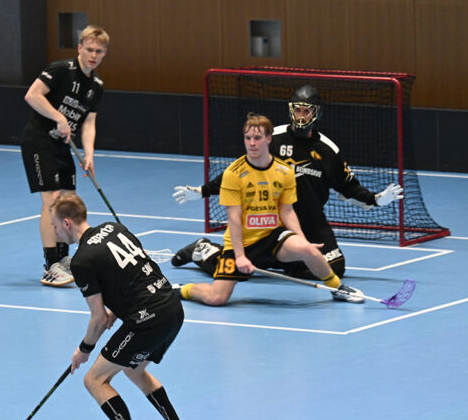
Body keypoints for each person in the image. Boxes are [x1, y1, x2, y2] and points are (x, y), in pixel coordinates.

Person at [172, 84, 403, 278]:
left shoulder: (328, 150)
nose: (301, 116)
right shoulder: (273, 138)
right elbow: (240, 171)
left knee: (334, 269)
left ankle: (284, 262)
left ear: (317, 113)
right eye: (297, 110)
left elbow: (348, 186)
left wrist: (375, 199)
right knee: (238, 270)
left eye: (307, 111)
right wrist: (202, 191)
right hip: (273, 223)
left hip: (312, 223)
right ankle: (205, 250)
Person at [51, 194, 201, 420]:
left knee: (94, 380)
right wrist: (116, 310)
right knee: (134, 368)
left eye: (55, 225)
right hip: (171, 307)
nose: (55, 231)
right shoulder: (114, 228)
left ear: (67, 223)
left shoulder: (81, 261)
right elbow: (134, 275)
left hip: (147, 319)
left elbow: (97, 319)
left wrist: (84, 349)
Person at [172, 113, 365, 307]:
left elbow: (287, 212)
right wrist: (240, 256)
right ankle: (180, 289)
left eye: (257, 138)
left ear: (269, 139)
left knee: (308, 250)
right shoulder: (233, 174)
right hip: (243, 242)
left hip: (272, 236)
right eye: (248, 138)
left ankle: (338, 288)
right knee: (217, 298)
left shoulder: (284, 171)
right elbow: (234, 219)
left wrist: (302, 239)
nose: (252, 143)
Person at [21, 25, 109, 287]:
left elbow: (89, 123)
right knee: (52, 201)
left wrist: (89, 154)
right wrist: (58, 117)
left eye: (99, 52)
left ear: (105, 53)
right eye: (89, 49)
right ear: (80, 48)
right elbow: (32, 95)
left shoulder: (96, 86)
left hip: (63, 145)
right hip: (39, 141)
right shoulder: (61, 70)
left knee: (68, 202)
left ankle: (63, 258)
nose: (93, 55)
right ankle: (50, 266)